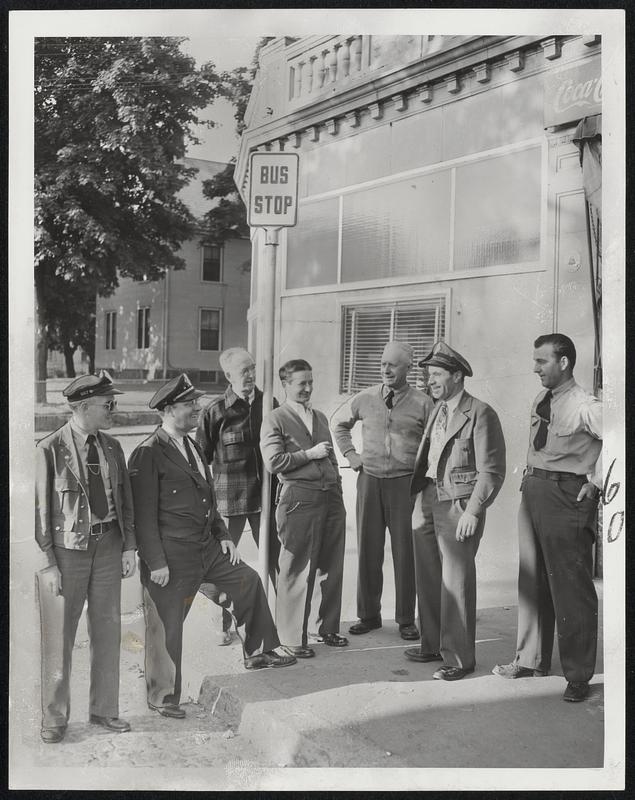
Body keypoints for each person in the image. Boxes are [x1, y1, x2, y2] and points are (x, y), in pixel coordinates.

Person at [128, 373, 295, 720]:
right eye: (189, 405)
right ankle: (163, 698)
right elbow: (142, 517)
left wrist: (222, 535)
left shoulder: (191, 445)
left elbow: (208, 499)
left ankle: (259, 651)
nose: (196, 409)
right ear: (169, 410)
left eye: (195, 403)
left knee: (246, 581)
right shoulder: (148, 453)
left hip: (206, 548)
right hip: (171, 557)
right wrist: (155, 562)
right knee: (166, 627)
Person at [493, 334, 602, 703]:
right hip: (535, 491)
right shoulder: (542, 398)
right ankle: (530, 659)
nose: (535, 367)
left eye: (542, 361)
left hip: (566, 496)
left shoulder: (586, 405)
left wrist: (598, 482)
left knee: (571, 588)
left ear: (564, 362)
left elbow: (618, 439)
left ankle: (578, 674)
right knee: (532, 579)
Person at [35, 371, 137, 743]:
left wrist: (129, 546)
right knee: (60, 636)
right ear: (82, 407)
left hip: (109, 544)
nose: (113, 410)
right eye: (107, 404)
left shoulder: (112, 447)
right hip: (68, 553)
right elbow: (43, 513)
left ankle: (105, 709)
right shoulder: (50, 449)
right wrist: (49, 561)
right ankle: (54, 717)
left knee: (108, 630)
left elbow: (124, 500)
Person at [408, 342, 506, 680]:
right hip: (427, 499)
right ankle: (432, 644)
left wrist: (473, 511)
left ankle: (459, 659)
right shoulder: (438, 409)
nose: (430, 381)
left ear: (457, 375)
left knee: (456, 581)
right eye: (429, 375)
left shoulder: (481, 413)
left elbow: (491, 470)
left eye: (436, 375)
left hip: (458, 505)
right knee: (429, 576)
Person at [332, 341, 433, 640]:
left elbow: (435, 442)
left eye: (393, 365)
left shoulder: (423, 403)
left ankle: (405, 619)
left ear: (408, 368)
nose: (386, 370)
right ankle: (369, 615)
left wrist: (422, 475)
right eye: (382, 364)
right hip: (370, 481)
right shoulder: (364, 399)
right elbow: (340, 426)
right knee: (368, 549)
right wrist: (352, 456)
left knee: (406, 553)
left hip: (405, 485)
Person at [260, 359, 348, 658]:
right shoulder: (276, 418)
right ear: (285, 385)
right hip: (299, 498)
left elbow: (332, 457)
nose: (308, 388)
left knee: (331, 564)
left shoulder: (320, 417)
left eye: (310, 381)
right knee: (297, 568)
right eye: (301, 383)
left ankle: (325, 628)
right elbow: (274, 462)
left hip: (330, 496)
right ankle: (290, 637)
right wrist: (309, 454)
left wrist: (336, 483)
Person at [196, 347, 279, 645]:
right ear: (228, 375)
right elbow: (201, 460)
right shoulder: (215, 411)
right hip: (227, 503)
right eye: (244, 371)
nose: (251, 375)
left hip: (264, 500)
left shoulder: (269, 404)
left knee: (275, 560)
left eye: (253, 368)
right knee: (224, 564)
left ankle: (283, 621)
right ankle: (224, 624)